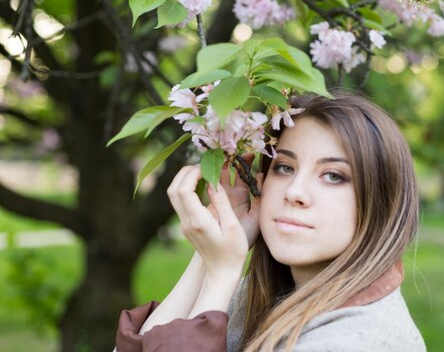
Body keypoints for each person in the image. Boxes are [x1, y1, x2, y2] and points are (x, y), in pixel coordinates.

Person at [115, 91, 426, 352]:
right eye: (285, 167)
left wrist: (222, 273)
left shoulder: (358, 339)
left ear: (381, 201)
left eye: (333, 176)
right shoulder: (265, 295)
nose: (295, 192)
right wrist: (211, 254)